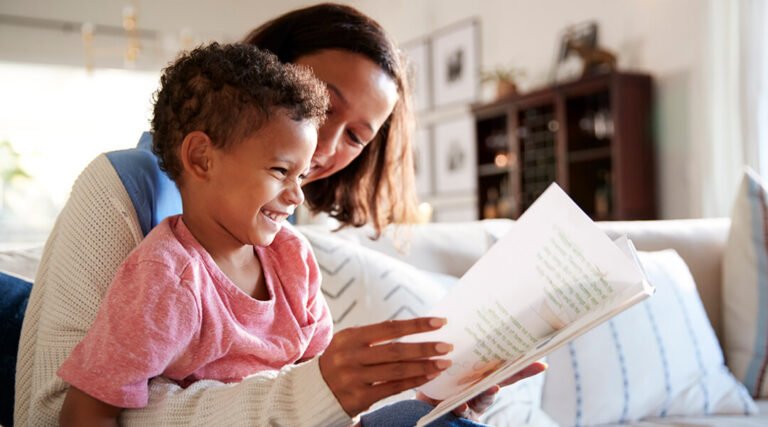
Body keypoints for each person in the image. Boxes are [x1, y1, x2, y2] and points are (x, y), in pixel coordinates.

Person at [15, 3, 545, 426]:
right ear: (270, 67)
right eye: (322, 103)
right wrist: (307, 395)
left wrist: (433, 395)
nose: (324, 149)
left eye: (356, 136)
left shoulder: (280, 239)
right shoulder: (135, 211)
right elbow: (59, 410)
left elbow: (312, 388)